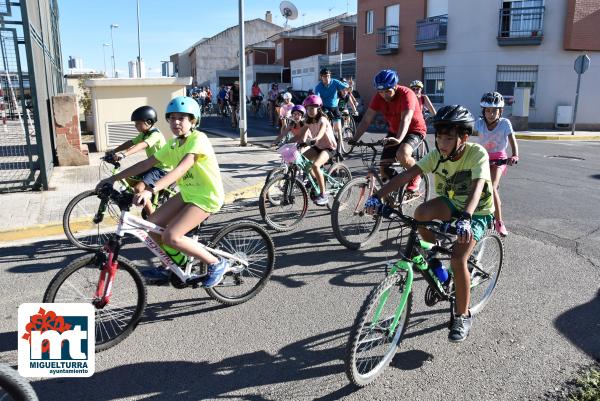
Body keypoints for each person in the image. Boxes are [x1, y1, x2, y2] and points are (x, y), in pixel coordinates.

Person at [365, 105, 495, 343]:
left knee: (458, 259)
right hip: (452, 202)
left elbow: (477, 187)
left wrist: (466, 218)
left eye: (449, 138)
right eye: (440, 138)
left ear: (463, 138)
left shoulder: (477, 154)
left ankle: (462, 315)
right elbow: (407, 175)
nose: (442, 143)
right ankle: (434, 259)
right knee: (421, 212)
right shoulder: (436, 155)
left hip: (476, 212)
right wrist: (378, 196)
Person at [97, 96, 227, 287]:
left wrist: (150, 190)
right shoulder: (174, 144)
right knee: (151, 226)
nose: (175, 122)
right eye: (172, 118)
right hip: (188, 194)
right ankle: (176, 262)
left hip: (206, 196)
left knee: (171, 236)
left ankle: (217, 263)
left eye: (181, 118)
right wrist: (112, 179)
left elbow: (181, 169)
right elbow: (146, 163)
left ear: (193, 121)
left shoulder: (198, 139)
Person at [351, 69, 427, 194]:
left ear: (395, 86)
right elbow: (366, 120)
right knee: (383, 168)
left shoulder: (407, 94)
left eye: (387, 91)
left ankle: (416, 174)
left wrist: (398, 139)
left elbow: (406, 119)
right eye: (380, 92)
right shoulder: (379, 97)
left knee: (402, 154)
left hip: (414, 129)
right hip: (394, 131)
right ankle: (397, 190)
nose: (384, 95)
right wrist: (354, 139)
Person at [108, 106, 172, 216]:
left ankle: (153, 218)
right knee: (130, 178)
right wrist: (114, 151)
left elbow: (142, 145)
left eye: (138, 123)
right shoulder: (144, 133)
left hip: (162, 168)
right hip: (153, 166)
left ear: (148, 122)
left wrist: (124, 155)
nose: (135, 126)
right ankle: (148, 199)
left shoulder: (155, 134)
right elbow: (131, 142)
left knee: (138, 188)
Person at [473, 91, 519, 237]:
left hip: (499, 158)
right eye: (487, 110)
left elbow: (512, 140)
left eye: (494, 110)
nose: (491, 114)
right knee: (475, 185)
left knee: (492, 187)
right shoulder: (479, 124)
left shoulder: (505, 123)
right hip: (483, 158)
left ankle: (499, 222)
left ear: (501, 111)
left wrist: (515, 155)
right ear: (483, 111)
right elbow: (465, 134)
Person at [299, 94, 337, 206]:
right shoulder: (308, 121)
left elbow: (320, 133)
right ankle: (316, 179)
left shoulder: (322, 119)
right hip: (318, 146)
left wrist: (315, 139)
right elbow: (300, 135)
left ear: (318, 108)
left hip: (329, 148)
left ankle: (323, 195)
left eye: (313, 108)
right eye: (308, 108)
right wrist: (287, 142)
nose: (310, 110)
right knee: (302, 160)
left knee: (315, 165)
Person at [314, 68, 348, 148]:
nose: (327, 78)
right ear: (321, 77)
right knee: (325, 124)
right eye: (325, 76)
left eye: (328, 76)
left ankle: (339, 150)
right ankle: (329, 143)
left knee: (338, 129)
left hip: (335, 107)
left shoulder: (335, 82)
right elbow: (317, 98)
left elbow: (345, 87)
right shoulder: (318, 87)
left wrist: (349, 88)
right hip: (325, 107)